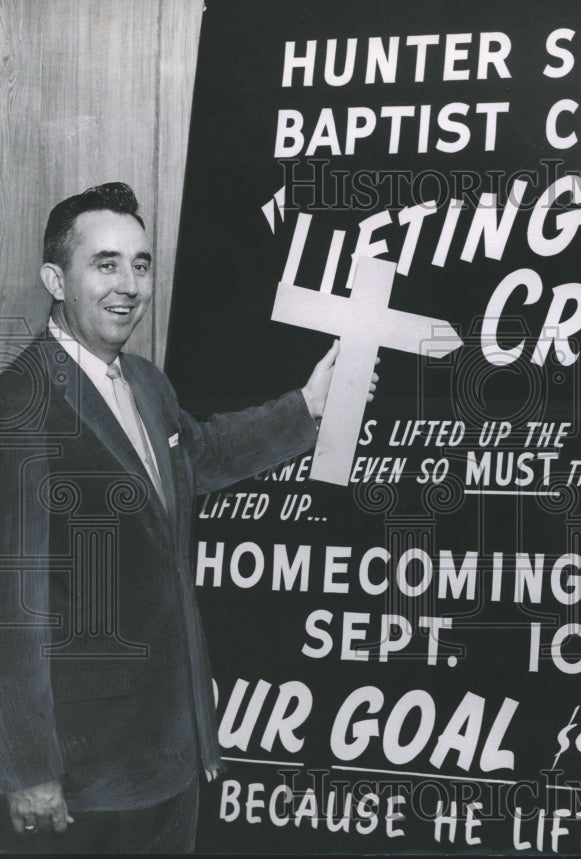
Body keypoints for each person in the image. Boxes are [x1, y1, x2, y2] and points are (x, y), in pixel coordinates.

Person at [0, 182, 375, 853]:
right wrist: (28, 769)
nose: (129, 285)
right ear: (56, 278)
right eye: (105, 263)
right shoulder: (21, 402)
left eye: (141, 264)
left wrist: (309, 405)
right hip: (86, 778)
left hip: (172, 754)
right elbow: (12, 605)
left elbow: (198, 455)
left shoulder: (144, 381)